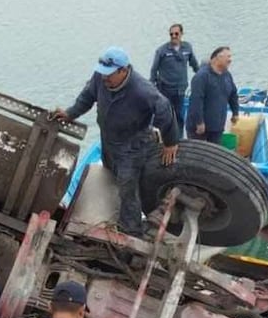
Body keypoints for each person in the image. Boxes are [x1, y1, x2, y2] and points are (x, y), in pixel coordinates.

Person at [53, 46, 179, 238]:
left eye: (110, 74)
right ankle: (115, 211)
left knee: (127, 187)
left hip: (132, 146)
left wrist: (170, 142)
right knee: (112, 174)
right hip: (109, 140)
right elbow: (87, 97)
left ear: (123, 70)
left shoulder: (142, 90)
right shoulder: (100, 78)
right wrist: (71, 113)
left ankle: (132, 232)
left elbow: (164, 111)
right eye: (103, 73)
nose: (105, 78)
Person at [149, 23, 199, 137]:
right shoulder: (162, 51)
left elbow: (194, 65)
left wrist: (202, 77)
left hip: (180, 89)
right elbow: (154, 70)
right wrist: (151, 85)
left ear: (181, 34)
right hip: (165, 89)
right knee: (164, 114)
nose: (174, 36)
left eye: (176, 34)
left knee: (180, 115)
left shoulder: (187, 48)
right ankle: (163, 137)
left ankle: (179, 138)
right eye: (171, 34)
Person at [186, 46, 239, 144]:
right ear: (217, 58)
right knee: (199, 156)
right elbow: (196, 101)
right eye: (228, 57)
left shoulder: (227, 75)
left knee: (215, 156)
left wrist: (235, 112)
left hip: (217, 127)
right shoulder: (201, 77)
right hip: (200, 129)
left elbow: (233, 94)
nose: (230, 60)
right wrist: (199, 122)